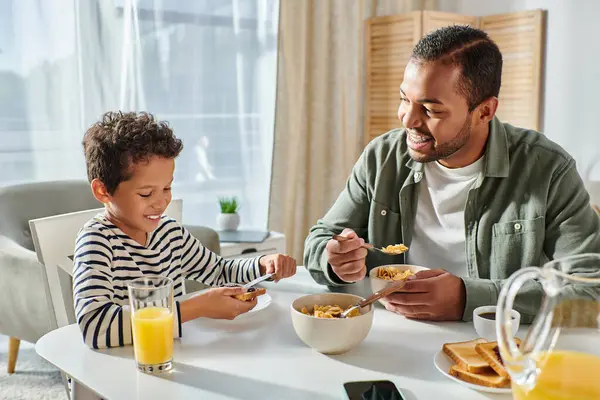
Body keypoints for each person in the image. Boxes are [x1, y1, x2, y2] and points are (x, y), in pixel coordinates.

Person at [304, 25, 600, 323]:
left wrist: (467, 298)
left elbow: (591, 291)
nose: (407, 119)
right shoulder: (382, 157)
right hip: (392, 334)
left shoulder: (547, 169)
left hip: (494, 346)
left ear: (484, 111)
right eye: (405, 99)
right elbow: (321, 239)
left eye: (431, 110)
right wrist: (335, 261)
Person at [74, 111, 296, 349]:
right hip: (123, 367)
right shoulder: (97, 241)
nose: (161, 202)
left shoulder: (169, 233)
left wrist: (262, 265)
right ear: (103, 191)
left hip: (173, 357)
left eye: (167, 188)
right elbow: (95, 326)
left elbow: (219, 271)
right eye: (146, 193)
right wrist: (197, 307)